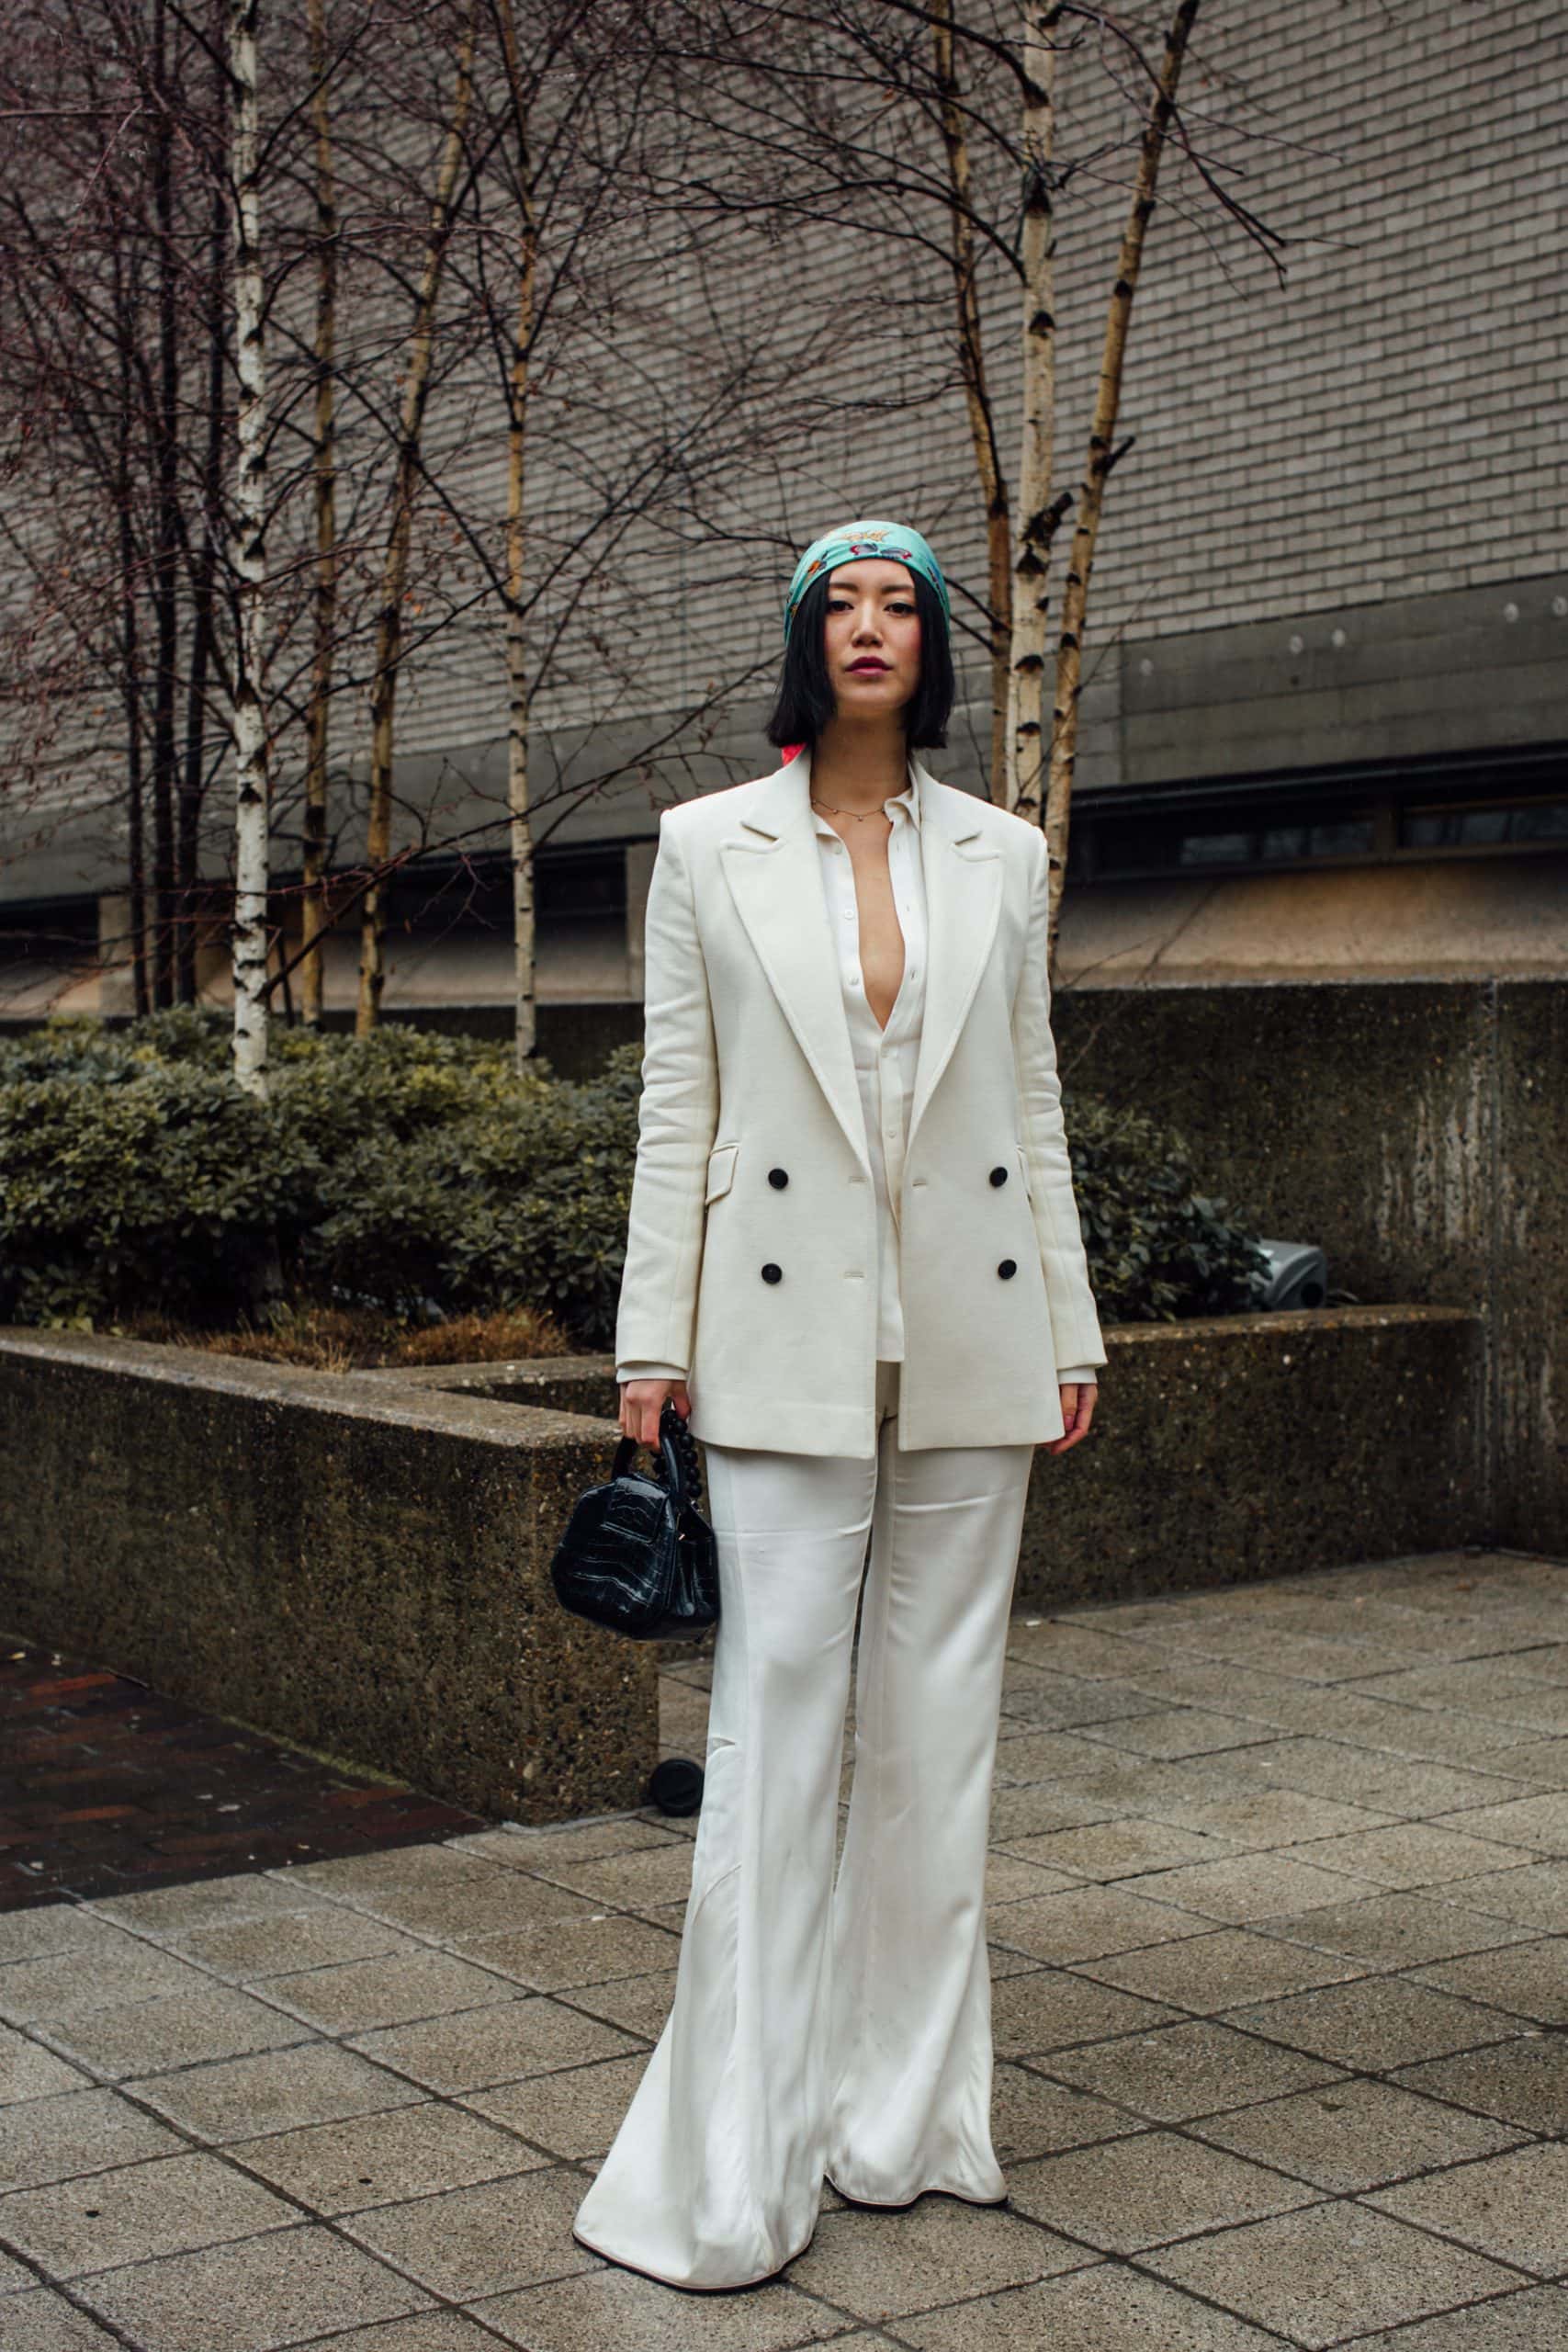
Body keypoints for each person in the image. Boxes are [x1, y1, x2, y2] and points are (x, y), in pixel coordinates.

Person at [571, 517, 1106, 2291]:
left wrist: (1072, 1332)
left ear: (932, 647)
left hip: (972, 1333)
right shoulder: (704, 843)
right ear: (805, 642)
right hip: (773, 1341)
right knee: (773, 1736)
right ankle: (731, 2169)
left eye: (902, 605)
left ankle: (905, 2124)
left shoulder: (1005, 853)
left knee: (943, 1741)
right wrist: (649, 1344)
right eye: (841, 604)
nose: (872, 626)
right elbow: (676, 1106)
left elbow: (1030, 1097)